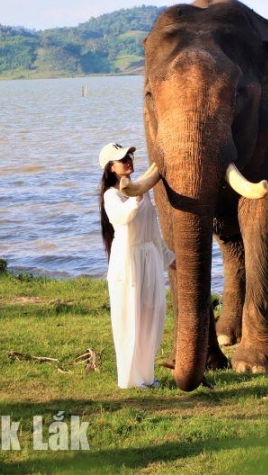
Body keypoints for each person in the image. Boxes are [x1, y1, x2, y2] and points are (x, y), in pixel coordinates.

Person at [98, 142, 176, 389]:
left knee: (151, 315)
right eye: (122, 159)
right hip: (127, 260)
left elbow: (153, 230)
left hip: (149, 257)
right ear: (111, 168)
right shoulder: (112, 195)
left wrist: (168, 258)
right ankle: (130, 379)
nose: (129, 161)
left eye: (130, 156)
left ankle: (147, 375)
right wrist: (136, 195)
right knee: (129, 317)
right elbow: (121, 218)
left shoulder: (141, 189)